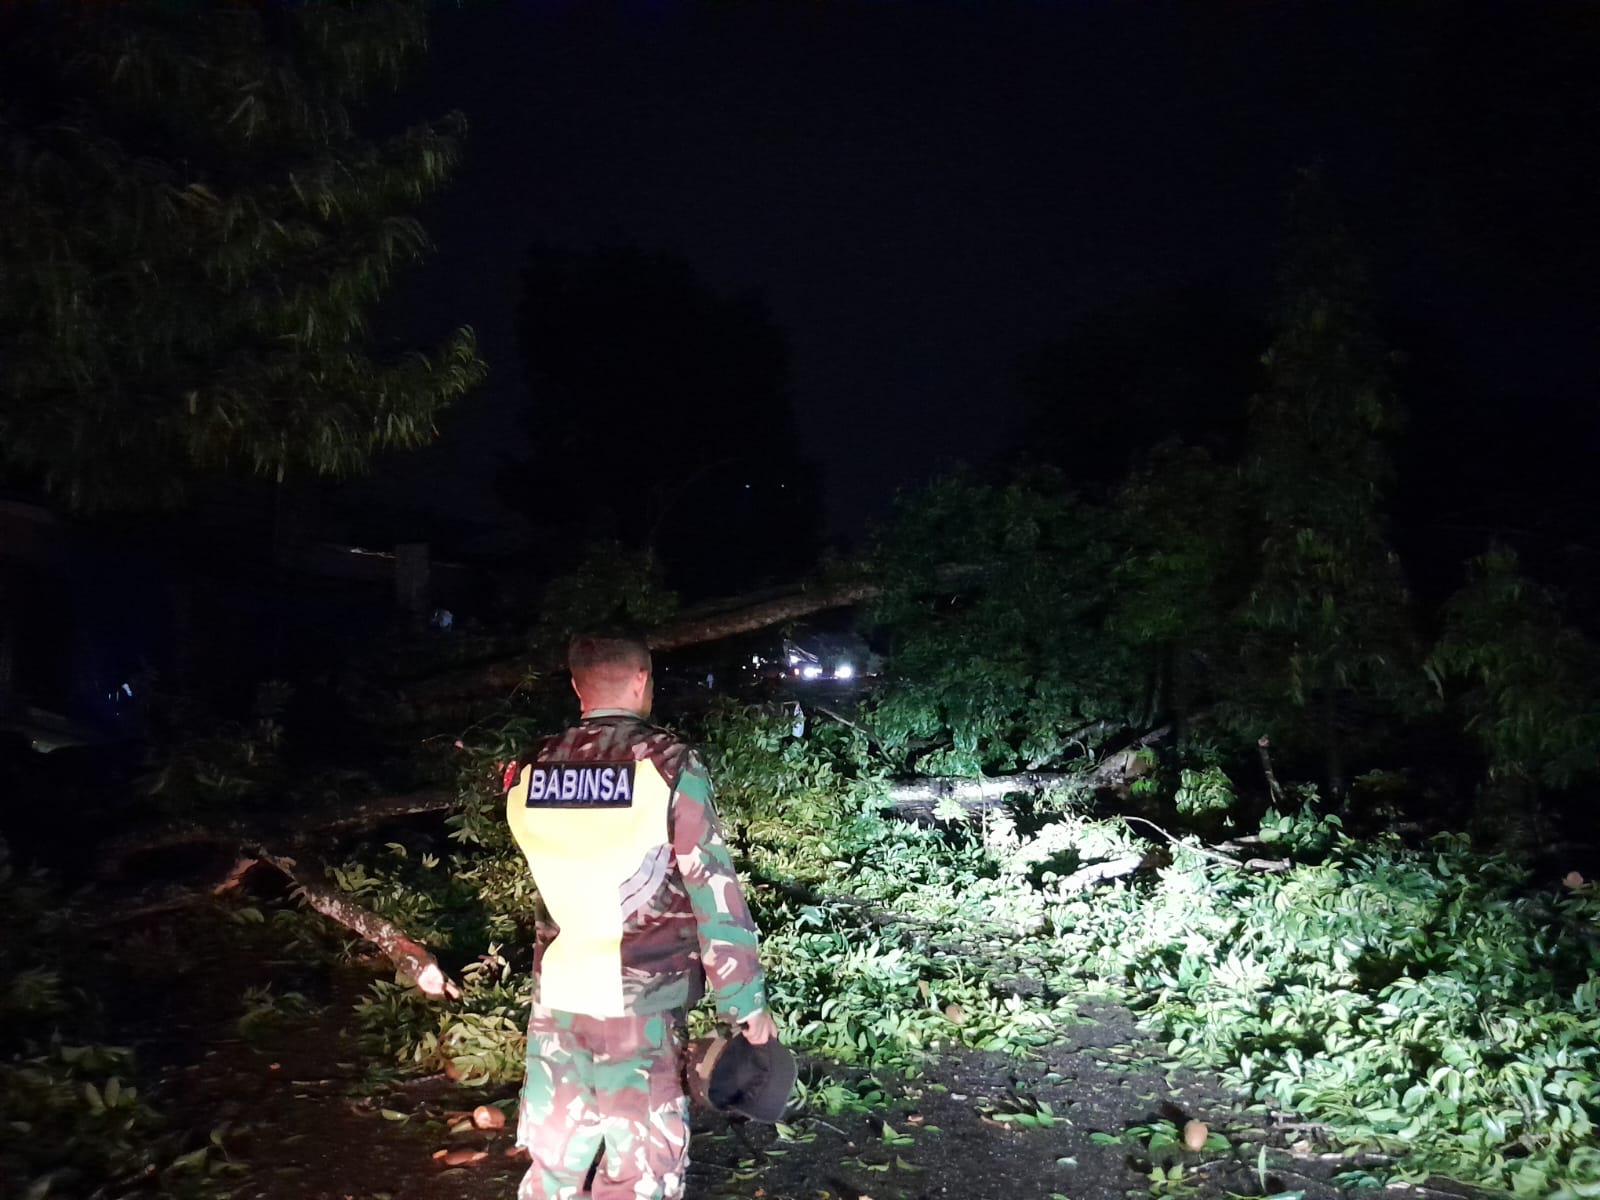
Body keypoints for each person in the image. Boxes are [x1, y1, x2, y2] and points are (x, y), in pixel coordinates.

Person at [498, 632, 778, 1200]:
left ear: (578, 686)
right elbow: (711, 887)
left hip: (558, 997)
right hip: (640, 1009)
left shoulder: (528, 768)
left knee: (553, 1165)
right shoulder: (667, 763)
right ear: (641, 681)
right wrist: (744, 1001)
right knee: (641, 1171)